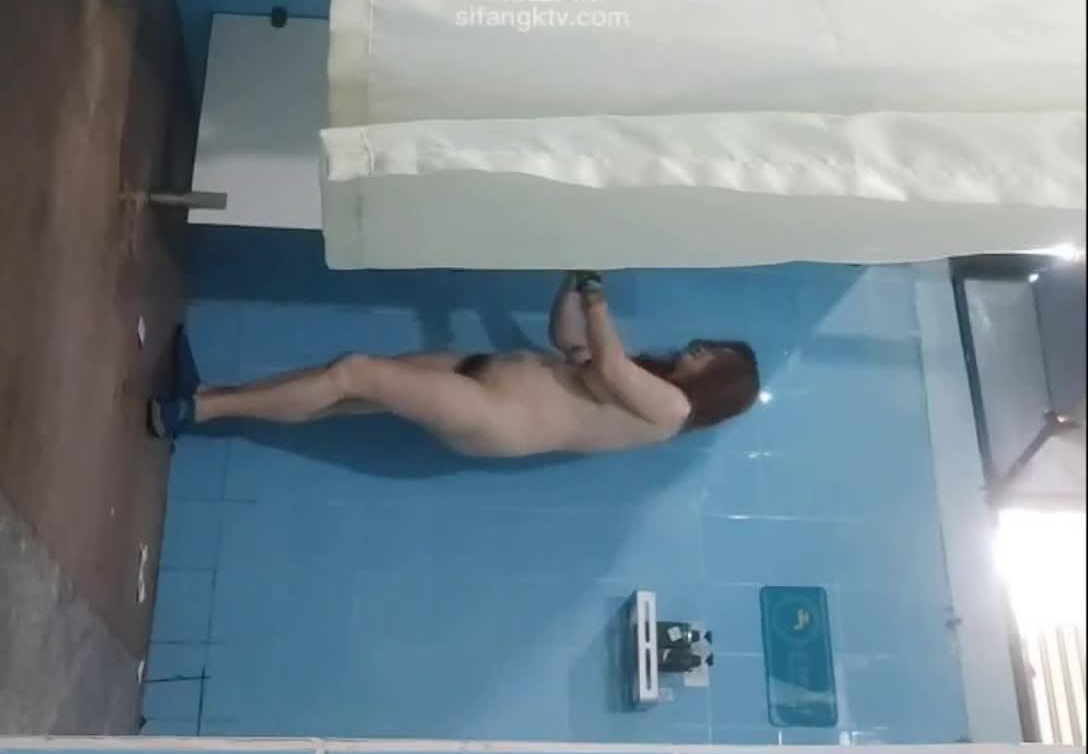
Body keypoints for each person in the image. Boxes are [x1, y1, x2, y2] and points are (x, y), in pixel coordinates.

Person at [149, 274, 760, 461]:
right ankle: (208, 397)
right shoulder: (652, 383)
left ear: (718, 384)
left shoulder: (673, 409)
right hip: (483, 372)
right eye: (711, 345)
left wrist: (598, 294)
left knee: (353, 372)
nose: (702, 349)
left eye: (715, 358)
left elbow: (607, 360)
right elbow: (569, 341)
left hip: (497, 416)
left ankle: (197, 408)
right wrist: (574, 279)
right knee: (354, 396)